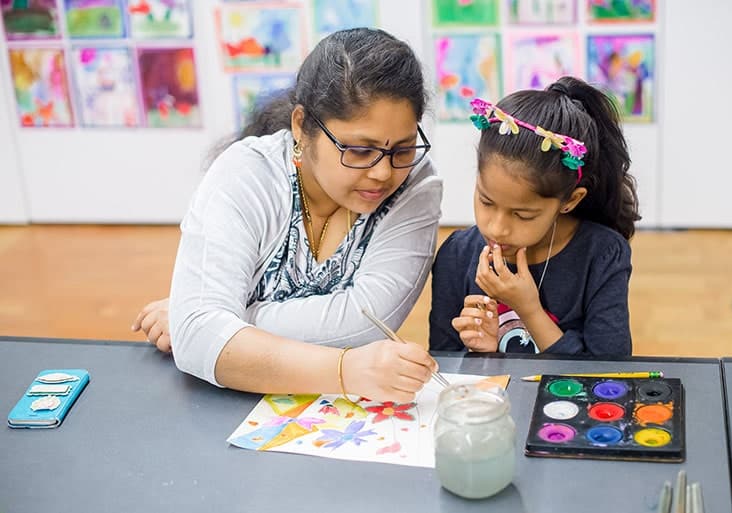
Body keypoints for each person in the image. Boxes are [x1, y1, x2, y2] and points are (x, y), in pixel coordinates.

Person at [132, 28, 442, 403]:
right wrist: (344, 371)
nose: (383, 172)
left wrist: (211, 321)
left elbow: (366, 322)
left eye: (403, 149)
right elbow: (199, 339)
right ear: (301, 125)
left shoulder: (416, 183)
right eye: (360, 150)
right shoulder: (247, 174)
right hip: (220, 403)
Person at [429, 76, 639, 356]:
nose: (497, 228)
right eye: (486, 201)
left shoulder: (602, 255)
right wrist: (482, 352)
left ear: (570, 201)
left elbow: (609, 372)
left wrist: (528, 309)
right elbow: (444, 363)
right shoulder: (456, 255)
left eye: (523, 215)